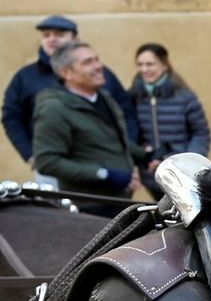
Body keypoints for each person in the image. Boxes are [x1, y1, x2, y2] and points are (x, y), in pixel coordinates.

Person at [2, 15, 134, 179]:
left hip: (104, 169)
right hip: (54, 166)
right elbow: (11, 117)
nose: (52, 39)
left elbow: (124, 111)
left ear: (75, 38)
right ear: (66, 74)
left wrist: (127, 152)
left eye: (59, 34)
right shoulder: (25, 76)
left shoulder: (99, 73)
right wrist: (30, 155)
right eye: (46, 35)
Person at [31, 41, 137, 215]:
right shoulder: (54, 108)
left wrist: (146, 156)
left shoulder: (103, 97)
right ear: (66, 73)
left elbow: (110, 139)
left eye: (97, 59)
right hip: (90, 207)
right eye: (88, 62)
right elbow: (47, 162)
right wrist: (104, 174)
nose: (98, 66)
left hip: (120, 201)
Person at [130, 43, 211, 196]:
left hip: (181, 175)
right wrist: (145, 156)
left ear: (165, 65)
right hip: (151, 175)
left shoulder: (185, 97)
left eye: (150, 64)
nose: (144, 69)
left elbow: (200, 133)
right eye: (140, 64)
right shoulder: (133, 97)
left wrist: (187, 163)